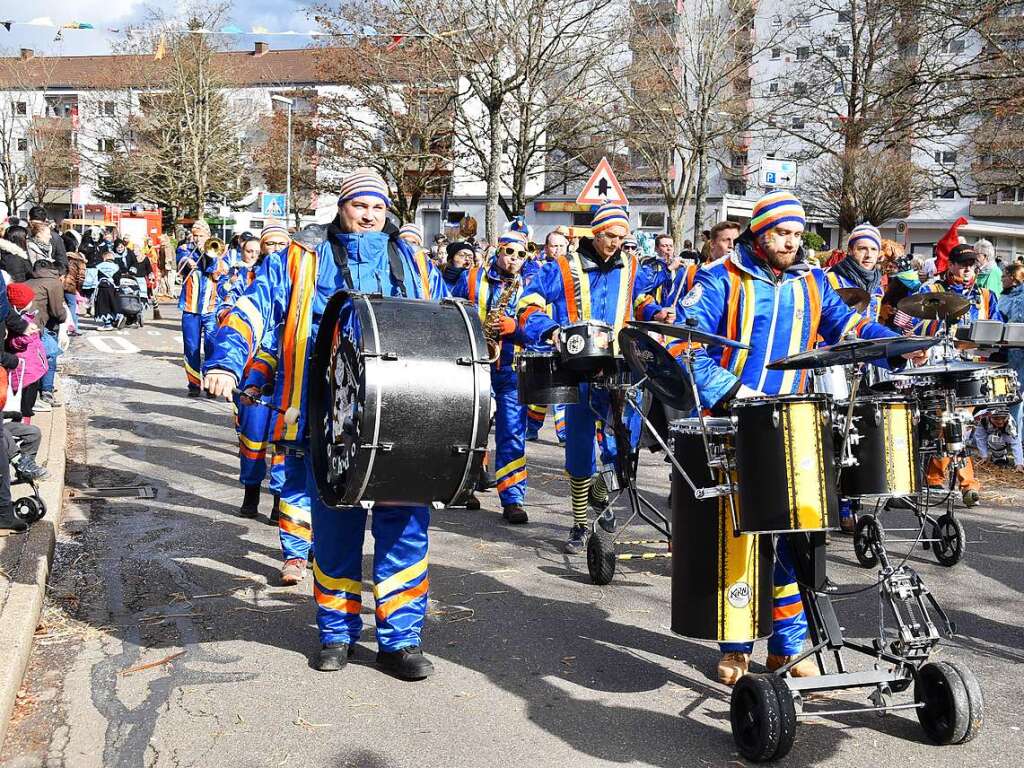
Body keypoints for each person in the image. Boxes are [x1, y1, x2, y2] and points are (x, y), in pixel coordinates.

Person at [204, 169, 443, 680]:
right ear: (341, 207)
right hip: (326, 417)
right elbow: (252, 309)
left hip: (404, 416)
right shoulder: (300, 258)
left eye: (377, 206)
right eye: (360, 204)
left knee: (404, 531)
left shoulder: (413, 261)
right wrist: (226, 362)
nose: (370, 214)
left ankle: (400, 643)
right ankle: (337, 635)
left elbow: (446, 325)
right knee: (335, 531)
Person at [676, 191, 921, 687]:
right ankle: (737, 645)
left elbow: (849, 327)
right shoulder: (718, 278)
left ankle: (786, 646)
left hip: (792, 424)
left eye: (796, 233)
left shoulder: (814, 283)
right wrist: (736, 393)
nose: (791, 242)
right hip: (732, 424)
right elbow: (688, 347)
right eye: (781, 234)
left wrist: (894, 349)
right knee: (740, 538)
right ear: (759, 234)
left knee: (791, 537)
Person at [516, 203, 672, 553]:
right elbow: (528, 304)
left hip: (619, 368)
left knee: (619, 445)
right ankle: (580, 522)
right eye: (609, 236)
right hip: (577, 368)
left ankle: (602, 501)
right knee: (579, 446)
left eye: (621, 237)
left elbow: (644, 297)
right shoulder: (563, 268)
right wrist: (551, 331)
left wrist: (654, 311)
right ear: (594, 233)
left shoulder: (631, 267)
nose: (615, 243)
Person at [452, 229, 531, 524]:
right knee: (471, 428)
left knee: (512, 433)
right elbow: (452, 314)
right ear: (498, 250)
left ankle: (512, 497)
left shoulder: (531, 285)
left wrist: (516, 329)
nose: (513, 259)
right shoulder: (471, 278)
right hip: (474, 364)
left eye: (521, 255)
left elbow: (540, 331)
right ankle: (466, 486)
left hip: (511, 370)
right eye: (509, 252)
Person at [915, 242, 1003, 501]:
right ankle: (968, 485)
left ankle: (934, 476)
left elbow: (996, 329)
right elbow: (909, 324)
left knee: (958, 424)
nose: (967, 270)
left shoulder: (986, 295)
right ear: (950, 265)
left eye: (971, 265)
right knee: (953, 421)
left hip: (972, 364)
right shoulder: (931, 290)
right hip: (940, 364)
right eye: (962, 265)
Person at [177, 221, 222, 396]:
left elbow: (215, 270)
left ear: (208, 236)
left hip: (211, 308)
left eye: (201, 235)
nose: (197, 238)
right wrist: (187, 260)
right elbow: (182, 265)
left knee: (212, 346)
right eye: (195, 235)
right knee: (191, 348)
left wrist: (208, 253)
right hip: (190, 307)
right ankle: (194, 384)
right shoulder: (184, 249)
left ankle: (211, 385)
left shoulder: (217, 249)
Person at [26, 259, 66, 407]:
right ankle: (46, 391)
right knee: (50, 354)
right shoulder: (53, 282)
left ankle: (37, 391)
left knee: (33, 358)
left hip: (25, 323)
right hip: (40, 326)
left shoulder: (28, 280)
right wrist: (64, 318)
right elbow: (57, 311)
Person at [5, 282, 48, 419]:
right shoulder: (16, 323)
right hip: (23, 371)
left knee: (28, 403)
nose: (32, 303)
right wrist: (26, 337)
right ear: (19, 305)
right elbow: (13, 343)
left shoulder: (24, 318)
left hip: (32, 368)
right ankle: (22, 430)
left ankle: (24, 426)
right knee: (23, 406)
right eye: (29, 301)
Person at [827, 223, 884, 322]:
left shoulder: (878, 285)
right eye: (862, 249)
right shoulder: (830, 280)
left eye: (874, 249)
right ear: (850, 250)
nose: (869, 255)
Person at [27, 207, 67, 275]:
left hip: (27, 279)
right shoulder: (54, 237)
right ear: (45, 219)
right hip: (51, 278)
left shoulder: (22, 234)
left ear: (29, 218)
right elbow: (62, 261)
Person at [93, 250, 127, 331]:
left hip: (102, 287)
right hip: (112, 287)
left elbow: (96, 277)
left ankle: (108, 324)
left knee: (103, 306)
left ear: (104, 258)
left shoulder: (99, 266)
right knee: (113, 304)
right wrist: (117, 287)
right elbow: (117, 278)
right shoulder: (116, 266)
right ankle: (118, 316)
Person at [61, 231, 87, 336]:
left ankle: (64, 327)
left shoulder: (61, 257)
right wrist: (79, 289)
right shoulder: (78, 259)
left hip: (60, 283)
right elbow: (81, 276)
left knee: (62, 305)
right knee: (72, 305)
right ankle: (72, 327)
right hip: (71, 285)